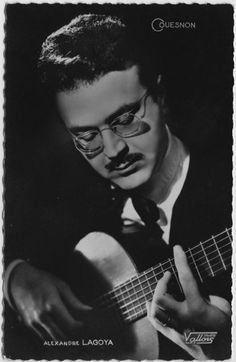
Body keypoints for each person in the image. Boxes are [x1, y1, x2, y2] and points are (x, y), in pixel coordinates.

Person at [4, 13, 232, 360]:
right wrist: (14, 278)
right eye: (86, 136)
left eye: (125, 119)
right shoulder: (73, 202)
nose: (112, 151)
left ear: (161, 96)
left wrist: (218, 340)